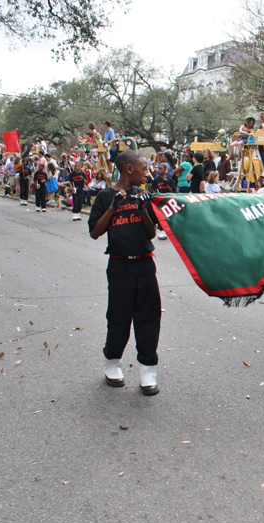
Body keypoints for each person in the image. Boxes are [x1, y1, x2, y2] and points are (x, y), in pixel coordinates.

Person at [88, 150, 161, 396]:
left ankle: (148, 370)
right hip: (120, 266)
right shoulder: (105, 196)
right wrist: (112, 208)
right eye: (143, 168)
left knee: (149, 316)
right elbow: (95, 232)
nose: (146, 172)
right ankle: (112, 362)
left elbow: (151, 233)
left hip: (144, 264)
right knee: (119, 316)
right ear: (129, 169)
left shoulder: (144, 195)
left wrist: (142, 210)